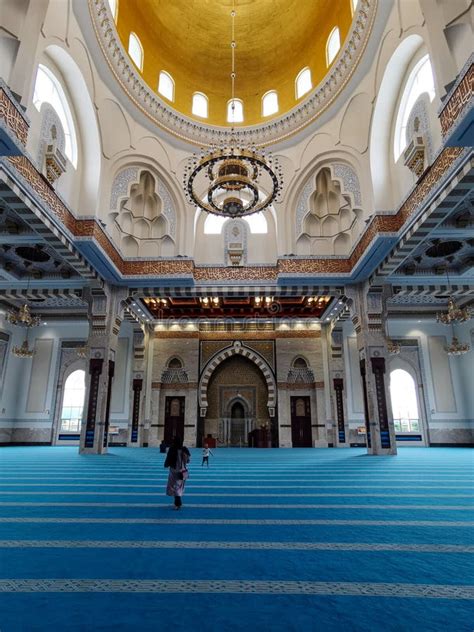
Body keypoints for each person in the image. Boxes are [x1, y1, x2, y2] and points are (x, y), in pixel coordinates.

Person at [164, 436, 190, 510]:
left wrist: (166, 464)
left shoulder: (172, 449)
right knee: (179, 487)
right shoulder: (184, 450)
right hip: (183, 471)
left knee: (175, 487)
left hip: (173, 471)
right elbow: (188, 460)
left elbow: (168, 459)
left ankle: (177, 503)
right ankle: (178, 502)